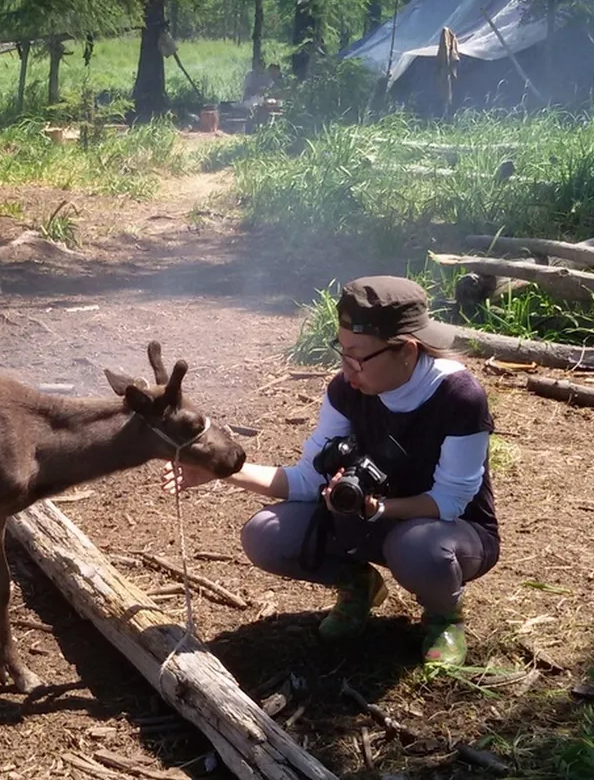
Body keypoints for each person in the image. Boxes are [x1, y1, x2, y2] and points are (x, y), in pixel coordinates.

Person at [162, 276, 498, 665]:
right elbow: (307, 478)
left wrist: (381, 509)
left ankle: (444, 616)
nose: (346, 369)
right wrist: (219, 470)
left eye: (357, 357)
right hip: (368, 520)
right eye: (342, 352)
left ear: (406, 350)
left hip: (452, 532)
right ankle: (358, 584)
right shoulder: (347, 390)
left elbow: (451, 500)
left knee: (419, 548)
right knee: (266, 534)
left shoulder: (458, 396)